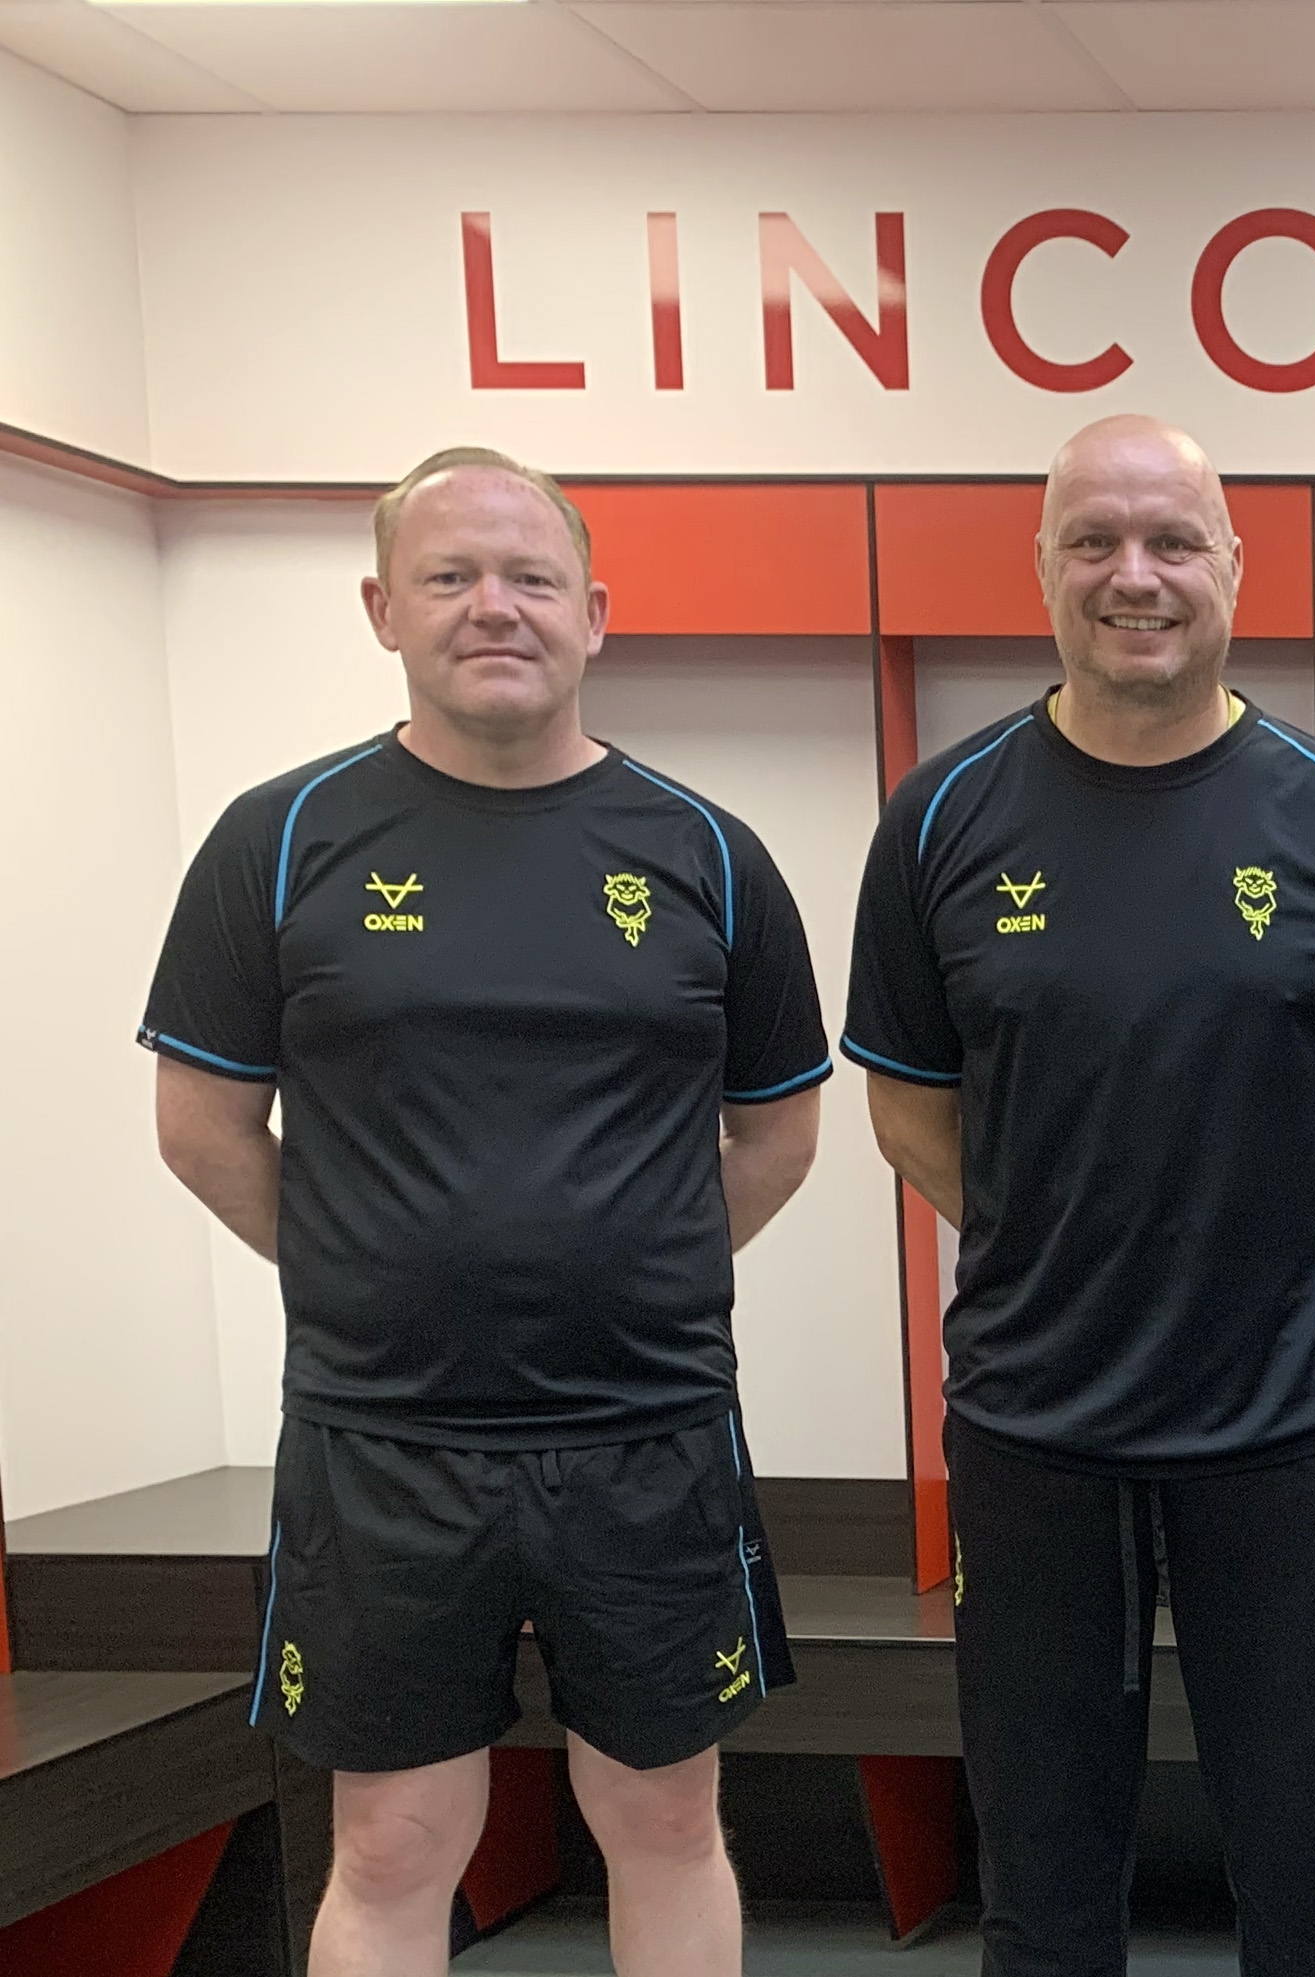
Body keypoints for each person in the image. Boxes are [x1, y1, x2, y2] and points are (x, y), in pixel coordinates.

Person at [140, 446, 827, 1977]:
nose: (492, 608)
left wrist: (635, 1270)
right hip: (382, 1433)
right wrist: (367, 1270)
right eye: (450, 576)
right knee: (389, 1839)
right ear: (384, 608)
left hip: (648, 1427)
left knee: (663, 1816)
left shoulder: (709, 852)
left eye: (530, 578)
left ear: (597, 612)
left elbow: (779, 1133)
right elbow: (201, 1128)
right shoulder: (280, 840)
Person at [845, 414, 1315, 1977]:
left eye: (1173, 540)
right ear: (1041, 567)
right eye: (1095, 541)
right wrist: (1066, 1240)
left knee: (1314, 1886)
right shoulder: (936, 817)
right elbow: (908, 1111)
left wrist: (1268, 1251)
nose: (1136, 575)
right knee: (1044, 1898)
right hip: (1035, 1436)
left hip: (1294, 1437)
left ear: (1234, 569)